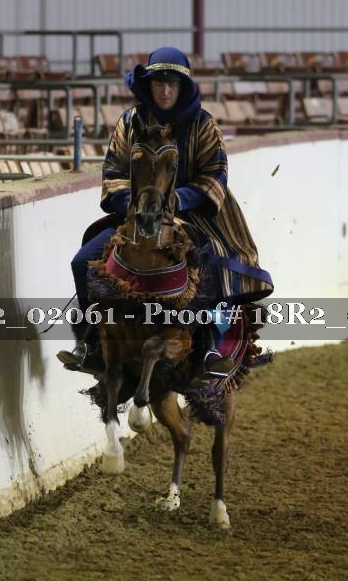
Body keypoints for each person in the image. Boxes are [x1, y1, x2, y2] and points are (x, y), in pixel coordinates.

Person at [57, 45, 273, 374]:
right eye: (160, 84)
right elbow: (113, 171)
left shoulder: (203, 124)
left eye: (172, 84)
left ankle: (210, 348)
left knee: (217, 263)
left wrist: (178, 199)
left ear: (182, 86)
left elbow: (215, 174)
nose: (166, 91)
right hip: (138, 214)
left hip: (194, 214)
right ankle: (91, 344)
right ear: (150, 85)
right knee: (82, 261)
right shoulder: (129, 122)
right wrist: (133, 203)